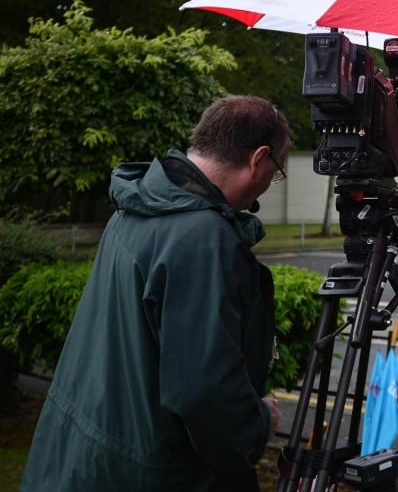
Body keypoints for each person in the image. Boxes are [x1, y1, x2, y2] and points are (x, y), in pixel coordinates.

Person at [21, 95, 291, 491]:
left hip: (84, 460)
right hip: (155, 473)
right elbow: (204, 392)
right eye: (276, 171)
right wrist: (258, 422)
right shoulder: (201, 239)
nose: (270, 183)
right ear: (258, 158)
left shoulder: (137, 205)